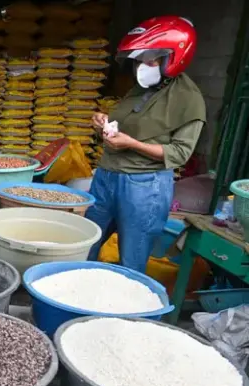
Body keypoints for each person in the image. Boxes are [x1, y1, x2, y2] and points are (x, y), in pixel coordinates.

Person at [87, 16, 206, 273]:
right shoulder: (141, 89)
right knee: (86, 244)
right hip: (107, 177)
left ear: (174, 58)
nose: (143, 66)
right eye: (139, 59)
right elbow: (127, 125)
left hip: (143, 186)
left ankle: (126, 299)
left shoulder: (188, 99)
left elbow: (180, 153)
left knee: (132, 259)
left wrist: (132, 144)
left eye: (151, 59)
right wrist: (103, 124)